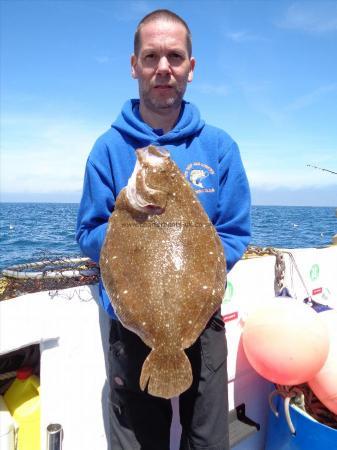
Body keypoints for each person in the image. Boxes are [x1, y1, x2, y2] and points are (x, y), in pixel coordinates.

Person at [76, 9, 251, 450]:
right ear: (134, 65)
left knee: (207, 439)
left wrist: (192, 270)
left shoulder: (219, 147)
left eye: (175, 56)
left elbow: (233, 232)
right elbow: (88, 232)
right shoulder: (109, 148)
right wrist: (127, 222)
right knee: (138, 440)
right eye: (151, 56)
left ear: (191, 68)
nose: (163, 68)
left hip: (201, 319)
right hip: (128, 325)